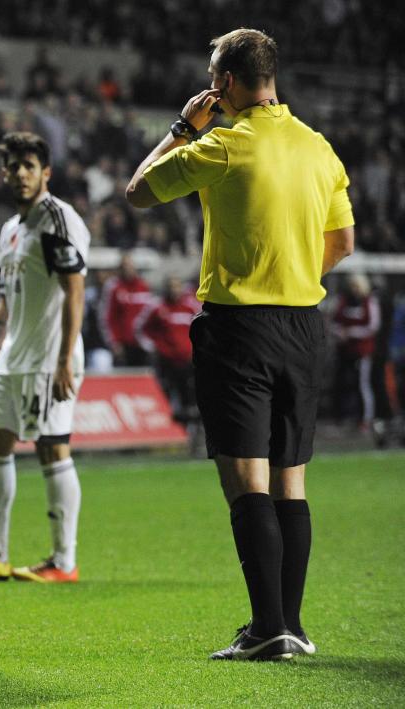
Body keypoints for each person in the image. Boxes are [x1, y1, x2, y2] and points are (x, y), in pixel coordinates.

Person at [125, 28, 355, 660]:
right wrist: (293, 274)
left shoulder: (223, 144)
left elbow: (137, 192)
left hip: (240, 329)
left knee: (246, 483)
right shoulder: (320, 149)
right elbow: (341, 246)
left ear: (223, 83)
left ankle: (266, 629)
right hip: (305, 326)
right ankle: (292, 626)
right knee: (291, 482)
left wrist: (180, 128)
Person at [0, 131, 90, 583]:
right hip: (13, 358)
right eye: (13, 167)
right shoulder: (11, 230)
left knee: (52, 448)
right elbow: (5, 301)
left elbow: (75, 290)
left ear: (46, 173)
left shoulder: (57, 220)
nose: (20, 174)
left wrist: (63, 360)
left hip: (47, 358)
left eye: (29, 167)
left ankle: (64, 561)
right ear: (3, 173)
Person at [133, 276, 200, 426]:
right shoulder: (157, 306)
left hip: (188, 361)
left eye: (177, 286)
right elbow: (139, 328)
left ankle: (193, 429)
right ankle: (174, 426)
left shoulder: (191, 306)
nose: (174, 290)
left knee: (191, 396)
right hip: (166, 361)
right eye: (171, 286)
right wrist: (153, 347)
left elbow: (203, 328)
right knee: (170, 393)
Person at [330, 273, 380, 428]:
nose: (354, 289)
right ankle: (343, 416)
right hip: (345, 351)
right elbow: (334, 322)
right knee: (343, 383)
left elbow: (373, 326)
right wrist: (340, 333)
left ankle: (366, 418)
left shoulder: (369, 302)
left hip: (362, 351)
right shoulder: (343, 301)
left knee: (362, 384)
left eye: (357, 286)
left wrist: (351, 332)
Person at [99, 251, 153, 367]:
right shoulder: (113, 286)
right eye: (124, 266)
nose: (127, 269)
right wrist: (113, 342)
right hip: (122, 345)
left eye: (129, 265)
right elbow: (106, 317)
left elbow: (150, 315)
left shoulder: (144, 286)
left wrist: (149, 341)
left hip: (142, 344)